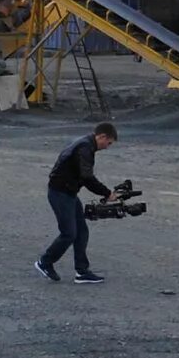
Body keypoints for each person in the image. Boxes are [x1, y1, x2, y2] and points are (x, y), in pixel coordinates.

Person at [37, 122, 117, 284]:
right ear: (101, 136)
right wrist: (107, 193)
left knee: (81, 231)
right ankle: (45, 262)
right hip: (60, 193)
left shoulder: (84, 144)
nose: (107, 147)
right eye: (108, 143)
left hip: (68, 192)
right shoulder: (85, 148)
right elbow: (87, 177)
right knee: (69, 233)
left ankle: (82, 271)